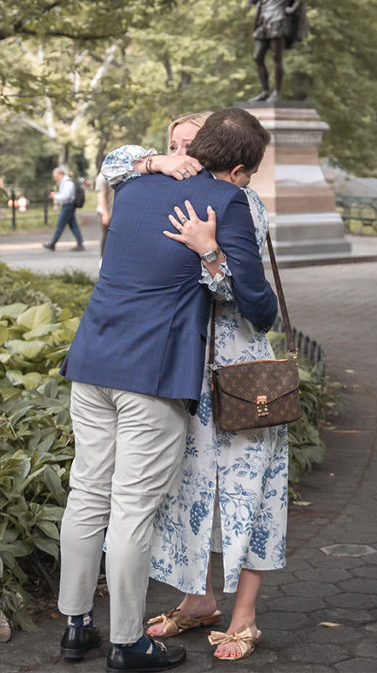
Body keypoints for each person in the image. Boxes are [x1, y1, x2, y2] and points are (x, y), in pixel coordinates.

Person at [57, 108, 278, 672]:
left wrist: (152, 161)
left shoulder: (134, 187)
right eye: (249, 171)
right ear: (237, 166)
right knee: (132, 508)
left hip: (92, 357)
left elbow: (116, 168)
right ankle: (128, 643)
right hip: (151, 373)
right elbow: (258, 307)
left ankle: (76, 627)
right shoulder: (225, 203)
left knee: (86, 494)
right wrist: (210, 250)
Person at [247, 0, 308, 102]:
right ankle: (265, 90)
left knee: (276, 56)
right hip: (264, 18)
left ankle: (277, 92)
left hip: (279, 17)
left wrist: (293, 8)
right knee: (257, 56)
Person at [42, 166, 84, 251]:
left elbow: (66, 196)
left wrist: (55, 196)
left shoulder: (67, 183)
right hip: (67, 205)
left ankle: (53, 243)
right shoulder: (64, 183)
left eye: (56, 177)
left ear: (61, 174)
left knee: (60, 225)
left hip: (68, 205)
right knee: (73, 225)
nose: (55, 179)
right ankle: (80, 243)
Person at [94, 169, 114, 257]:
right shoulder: (102, 177)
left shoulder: (118, 173)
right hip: (105, 212)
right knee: (106, 238)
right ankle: (103, 259)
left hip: (114, 212)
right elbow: (101, 196)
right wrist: (105, 214)